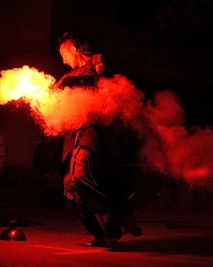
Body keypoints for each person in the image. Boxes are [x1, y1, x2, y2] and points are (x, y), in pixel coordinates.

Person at [54, 32, 141, 247]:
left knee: (82, 175)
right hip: (73, 135)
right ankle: (104, 234)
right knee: (70, 188)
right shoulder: (68, 77)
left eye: (64, 53)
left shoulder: (96, 63)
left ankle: (115, 219)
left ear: (73, 49)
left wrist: (66, 83)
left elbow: (99, 80)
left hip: (91, 131)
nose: (63, 59)